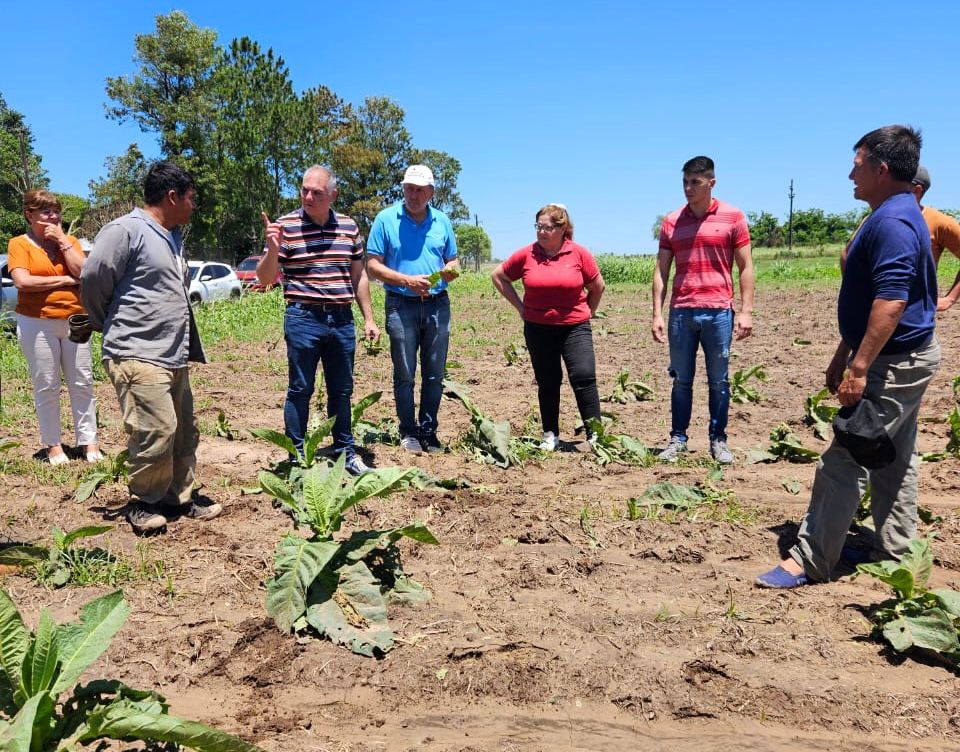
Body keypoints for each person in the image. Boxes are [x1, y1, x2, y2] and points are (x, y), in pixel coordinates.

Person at [756, 125, 939, 588]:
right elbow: (868, 301)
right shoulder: (893, 212)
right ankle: (895, 550)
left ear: (881, 169)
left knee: (844, 457)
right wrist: (846, 350)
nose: (850, 174)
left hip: (892, 364)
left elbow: (891, 302)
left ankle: (811, 559)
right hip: (899, 357)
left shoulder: (894, 223)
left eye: (857, 165)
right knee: (893, 457)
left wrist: (859, 368)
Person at [81, 161, 221, 533]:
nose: (194, 205)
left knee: (184, 431)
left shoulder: (172, 236)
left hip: (172, 354)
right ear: (172, 196)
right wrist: (108, 323)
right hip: (136, 351)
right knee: (155, 428)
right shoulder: (125, 231)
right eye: (191, 198)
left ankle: (178, 497)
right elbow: (93, 281)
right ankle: (143, 502)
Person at [258, 165, 379, 475]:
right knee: (300, 389)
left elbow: (358, 276)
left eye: (317, 192)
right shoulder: (285, 226)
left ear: (333, 195)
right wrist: (272, 249)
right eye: (304, 190)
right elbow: (265, 278)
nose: (308, 197)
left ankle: (345, 453)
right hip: (303, 318)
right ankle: (296, 457)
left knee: (342, 390)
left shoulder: (349, 227)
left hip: (341, 319)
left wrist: (369, 318)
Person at [652, 156, 754, 464]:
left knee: (719, 381)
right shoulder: (672, 221)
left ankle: (718, 440)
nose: (688, 188)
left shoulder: (733, 217)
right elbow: (661, 270)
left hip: (719, 312)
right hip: (681, 312)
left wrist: (746, 310)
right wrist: (657, 313)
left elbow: (746, 266)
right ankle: (678, 438)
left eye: (695, 182)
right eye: (685, 182)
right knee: (681, 380)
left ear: (711, 183)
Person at [491, 203, 605, 450]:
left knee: (583, 376)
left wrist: (588, 312)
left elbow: (598, 287)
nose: (541, 232)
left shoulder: (579, 253)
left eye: (547, 228)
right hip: (538, 328)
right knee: (548, 381)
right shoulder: (527, 254)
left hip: (575, 327)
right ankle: (550, 435)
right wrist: (521, 308)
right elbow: (498, 276)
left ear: (562, 229)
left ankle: (595, 435)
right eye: (538, 227)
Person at [366, 165, 459, 454]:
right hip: (400, 303)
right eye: (409, 188)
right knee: (405, 372)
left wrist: (451, 270)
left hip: (437, 305)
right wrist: (407, 280)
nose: (413, 195)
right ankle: (408, 431)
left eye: (420, 190)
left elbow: (453, 259)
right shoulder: (385, 219)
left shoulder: (442, 221)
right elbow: (373, 266)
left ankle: (429, 432)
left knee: (434, 373)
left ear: (431, 192)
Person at [7, 190, 101, 465]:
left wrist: (62, 241)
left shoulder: (70, 242)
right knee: (47, 384)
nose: (53, 217)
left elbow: (83, 272)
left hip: (76, 320)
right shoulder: (19, 244)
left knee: (82, 381)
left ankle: (89, 441)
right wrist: (65, 281)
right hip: (37, 322)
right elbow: (23, 282)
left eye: (56, 211)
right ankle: (53, 445)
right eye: (46, 212)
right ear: (29, 215)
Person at [910, 166, 960, 311]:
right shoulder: (873, 219)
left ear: (917, 190)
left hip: (916, 313)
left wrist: (950, 299)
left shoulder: (939, 222)